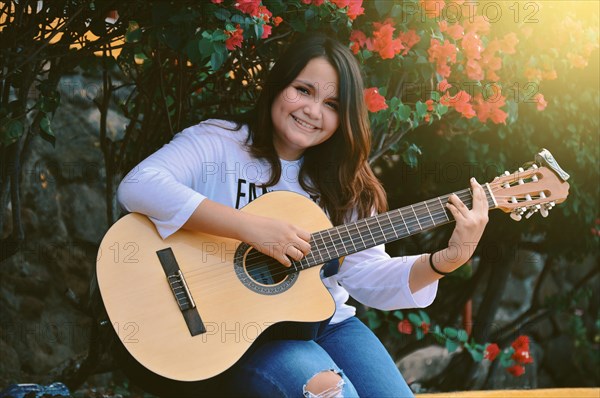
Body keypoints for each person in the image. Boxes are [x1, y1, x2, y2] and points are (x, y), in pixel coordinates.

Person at [116, 33, 489, 398]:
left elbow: (366, 276)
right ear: (278, 85)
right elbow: (139, 185)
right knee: (331, 394)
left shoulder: (347, 182)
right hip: (237, 331)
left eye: (332, 104)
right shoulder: (219, 142)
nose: (313, 111)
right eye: (304, 90)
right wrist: (249, 228)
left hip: (326, 324)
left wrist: (445, 262)